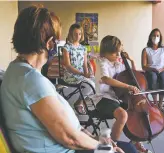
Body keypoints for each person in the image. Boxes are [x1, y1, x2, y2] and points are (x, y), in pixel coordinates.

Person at [0, 6, 137, 153]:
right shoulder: (31, 80)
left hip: (66, 142)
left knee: (126, 147)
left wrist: (94, 138)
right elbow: (70, 138)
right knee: (128, 149)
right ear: (50, 43)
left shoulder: (15, 69)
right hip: (64, 148)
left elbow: (67, 131)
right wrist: (105, 148)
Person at [96, 35, 152, 153]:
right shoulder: (102, 62)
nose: (117, 56)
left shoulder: (117, 62)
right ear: (105, 52)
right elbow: (106, 79)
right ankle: (113, 146)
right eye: (115, 53)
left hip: (117, 98)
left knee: (135, 113)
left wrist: (131, 60)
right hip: (104, 99)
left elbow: (131, 75)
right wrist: (128, 86)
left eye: (118, 53)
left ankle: (136, 141)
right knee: (123, 115)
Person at [62, 23, 95, 114]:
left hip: (80, 76)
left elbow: (84, 64)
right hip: (70, 76)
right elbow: (68, 66)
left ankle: (79, 103)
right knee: (89, 85)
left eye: (79, 34)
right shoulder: (67, 47)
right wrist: (82, 74)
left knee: (93, 83)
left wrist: (87, 74)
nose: (78, 36)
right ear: (71, 34)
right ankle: (77, 103)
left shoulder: (83, 48)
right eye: (75, 34)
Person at [141, 28, 164, 110]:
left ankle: (160, 103)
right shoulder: (146, 50)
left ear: (160, 37)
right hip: (151, 70)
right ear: (150, 37)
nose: (156, 37)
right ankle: (155, 102)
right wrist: (153, 69)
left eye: (158, 35)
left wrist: (161, 70)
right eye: (154, 35)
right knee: (152, 77)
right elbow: (143, 66)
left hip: (163, 69)